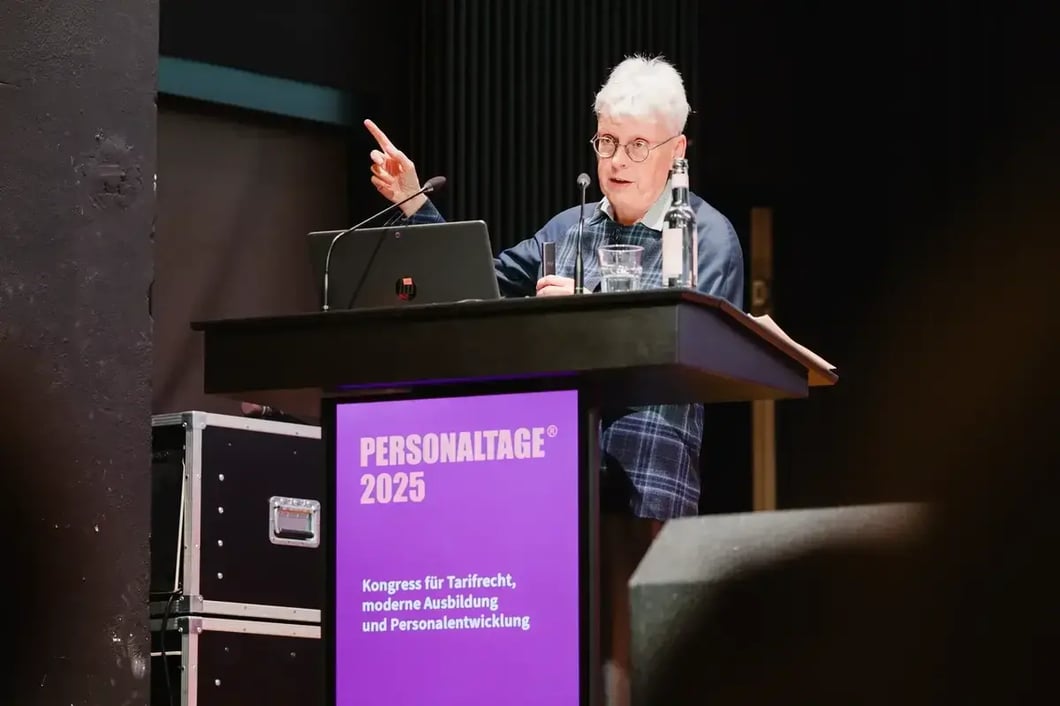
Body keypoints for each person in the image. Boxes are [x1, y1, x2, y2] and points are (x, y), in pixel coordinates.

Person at [365, 54, 745, 705]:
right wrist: (415, 205)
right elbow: (474, 288)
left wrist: (584, 307)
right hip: (547, 493)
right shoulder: (570, 230)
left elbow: (685, 347)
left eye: (637, 145)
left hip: (643, 498)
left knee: (625, 680)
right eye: (606, 141)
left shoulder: (705, 236)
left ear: (676, 151)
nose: (616, 161)